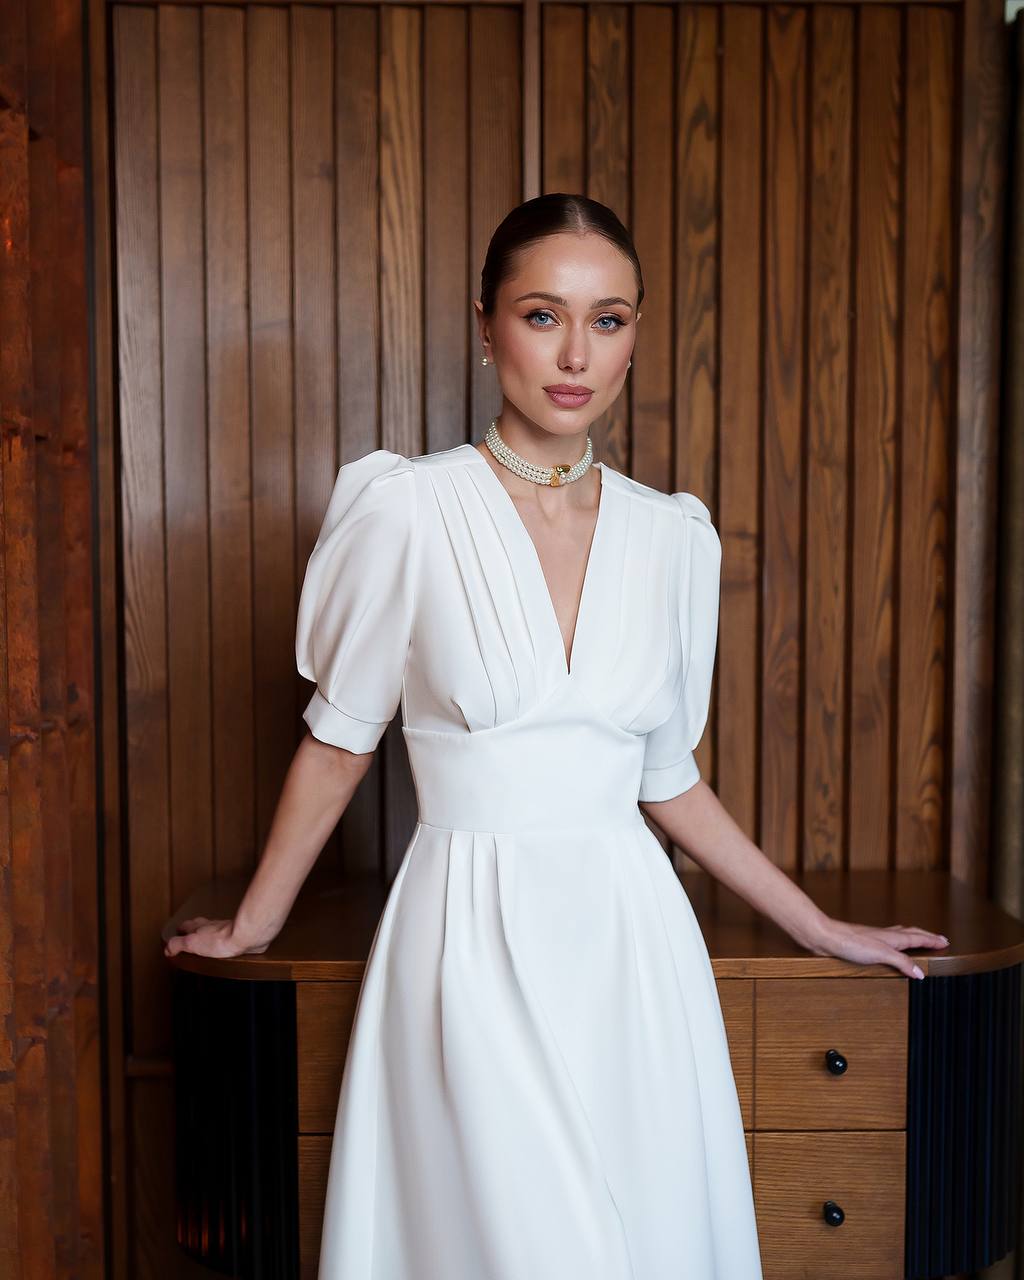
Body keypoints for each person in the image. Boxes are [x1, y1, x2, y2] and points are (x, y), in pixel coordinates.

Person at [164, 193, 949, 1278]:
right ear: (484, 324)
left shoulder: (673, 536)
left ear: (634, 336)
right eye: (543, 315)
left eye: (610, 318)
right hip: (470, 939)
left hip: (634, 947)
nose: (577, 352)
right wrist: (255, 923)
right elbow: (340, 743)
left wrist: (820, 924)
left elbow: (667, 780)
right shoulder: (406, 510)